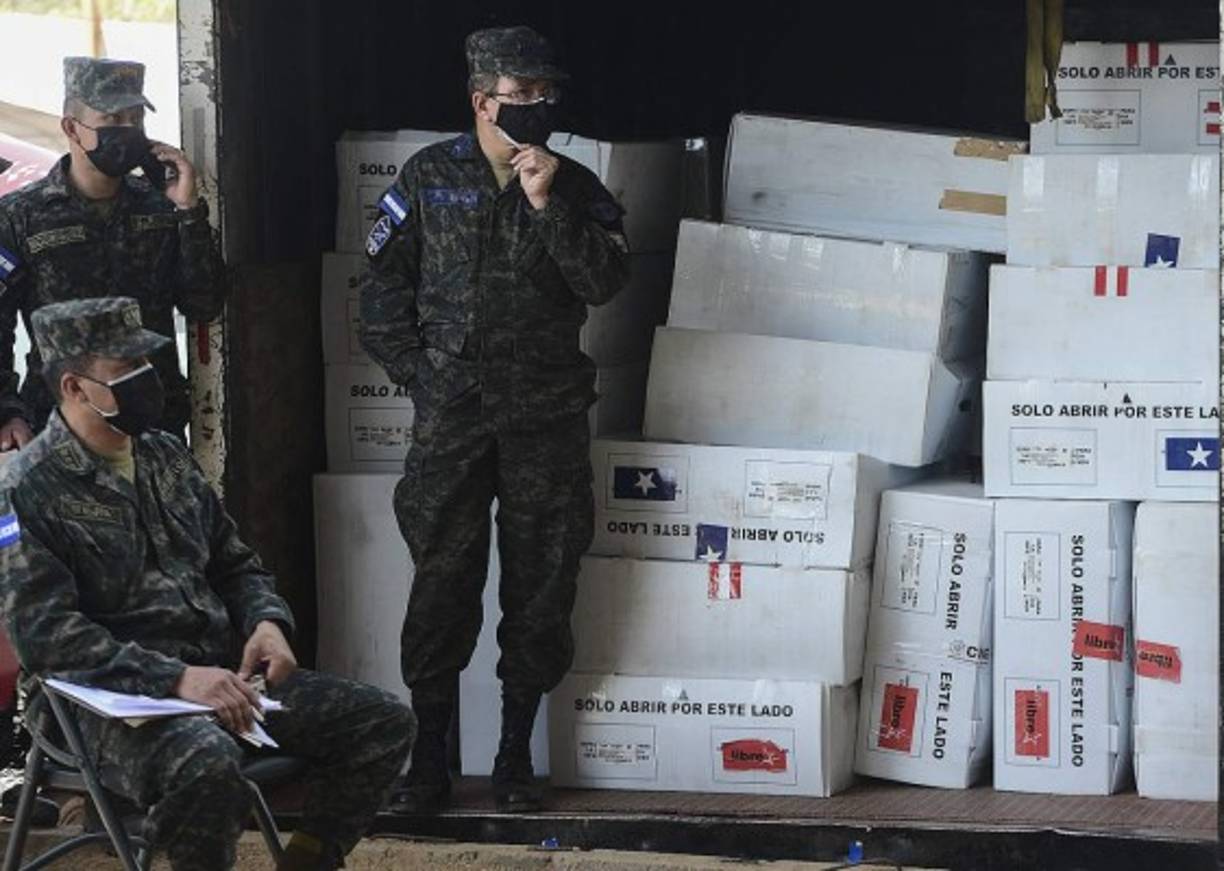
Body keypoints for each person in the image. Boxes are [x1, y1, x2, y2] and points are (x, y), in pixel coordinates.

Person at [0, 297, 414, 871]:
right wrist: (176, 680)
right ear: (74, 387)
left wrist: (267, 622)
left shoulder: (165, 456)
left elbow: (233, 563)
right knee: (207, 766)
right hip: (107, 707)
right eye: (126, 373)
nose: (148, 382)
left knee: (381, 722)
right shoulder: (26, 489)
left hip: (222, 680)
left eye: (146, 365)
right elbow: (46, 638)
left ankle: (310, 860)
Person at [360, 25, 630, 813]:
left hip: (544, 413)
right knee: (442, 579)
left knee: (541, 580)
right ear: (482, 101)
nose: (539, 108)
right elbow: (381, 294)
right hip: (453, 418)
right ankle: (430, 759)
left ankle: (515, 756)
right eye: (522, 98)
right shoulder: (427, 176)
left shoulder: (574, 184)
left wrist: (547, 204)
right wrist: (423, 377)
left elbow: (605, 281)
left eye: (549, 95)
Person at [0, 56, 226, 448]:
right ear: (72, 127)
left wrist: (188, 211)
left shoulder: (160, 206)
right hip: (59, 427)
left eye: (135, 120)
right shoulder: (20, 215)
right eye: (112, 120)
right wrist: (7, 412)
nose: (127, 131)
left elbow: (204, 303)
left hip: (154, 428)